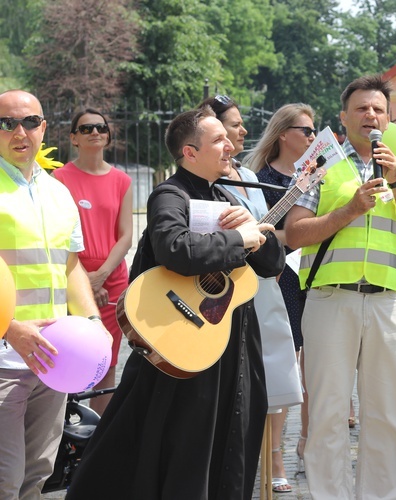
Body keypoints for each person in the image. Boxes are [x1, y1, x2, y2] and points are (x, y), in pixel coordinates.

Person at [66, 107, 285, 500]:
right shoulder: (170, 195)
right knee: (177, 447)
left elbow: (269, 267)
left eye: (228, 138)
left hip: (230, 348)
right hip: (183, 345)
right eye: (218, 139)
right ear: (189, 152)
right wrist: (238, 241)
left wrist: (257, 235)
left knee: (230, 442)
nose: (230, 145)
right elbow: (174, 249)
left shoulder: (228, 196)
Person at [284, 74, 396, 499]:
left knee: (386, 412)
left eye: (379, 110)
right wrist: (349, 209)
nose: (371, 115)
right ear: (344, 116)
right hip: (331, 300)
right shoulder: (318, 162)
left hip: (387, 302)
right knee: (329, 411)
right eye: (362, 108)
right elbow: (294, 233)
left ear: (388, 120)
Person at [0, 90, 108, 500]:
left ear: (44, 128)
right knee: (5, 478)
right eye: (6, 123)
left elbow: (71, 265)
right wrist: (10, 329)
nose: (19, 131)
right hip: (5, 354)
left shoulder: (58, 192)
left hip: (52, 359)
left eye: (29, 121)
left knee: (39, 474)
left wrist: (94, 322)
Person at [201, 94, 301, 494]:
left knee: (269, 384)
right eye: (234, 124)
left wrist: (267, 246)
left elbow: (268, 233)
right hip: (225, 297)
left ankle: (271, 460)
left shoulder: (246, 173)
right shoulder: (202, 183)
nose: (242, 131)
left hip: (263, 287)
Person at [247, 102, 316, 477]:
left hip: (317, 274)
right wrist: (294, 235)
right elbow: (258, 234)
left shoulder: (321, 176)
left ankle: (309, 442)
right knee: (285, 365)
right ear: (284, 134)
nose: (311, 137)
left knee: (316, 368)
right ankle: (274, 455)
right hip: (280, 278)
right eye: (306, 131)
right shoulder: (257, 178)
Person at [52, 109, 133, 415]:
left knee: (106, 359)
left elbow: (125, 235)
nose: (95, 132)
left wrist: (101, 275)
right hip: (72, 273)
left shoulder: (122, 180)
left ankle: (97, 434)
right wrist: (86, 280)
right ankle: (69, 428)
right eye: (86, 129)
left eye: (101, 128)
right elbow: (58, 235)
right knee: (71, 354)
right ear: (74, 138)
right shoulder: (59, 179)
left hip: (111, 277)